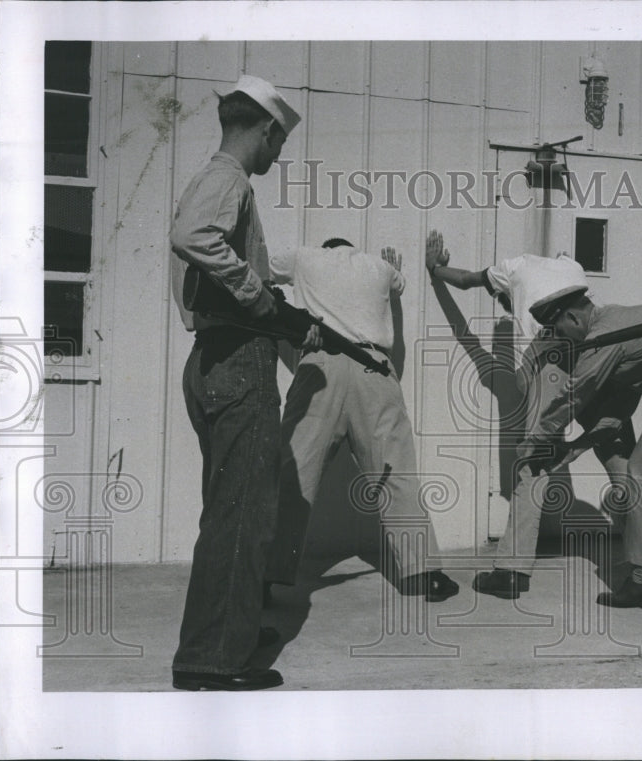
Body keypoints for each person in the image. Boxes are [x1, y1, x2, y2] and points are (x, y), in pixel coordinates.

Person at [169, 75, 304, 690]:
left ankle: (234, 627)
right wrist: (257, 295)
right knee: (242, 513)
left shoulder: (209, 178)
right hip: (238, 360)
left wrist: (274, 306)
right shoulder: (230, 179)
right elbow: (192, 237)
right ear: (267, 130)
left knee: (229, 508)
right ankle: (213, 659)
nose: (278, 153)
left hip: (212, 360)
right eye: (280, 142)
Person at [426, 232, 640, 599]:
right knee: (620, 456)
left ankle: (511, 571)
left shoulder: (513, 267)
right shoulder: (571, 266)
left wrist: (435, 269)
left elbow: (466, 280)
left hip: (549, 358)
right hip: (597, 350)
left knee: (534, 463)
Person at [264, 240, 459, 603]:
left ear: (327, 249)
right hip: (373, 367)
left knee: (295, 473)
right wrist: (392, 270)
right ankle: (425, 574)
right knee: (395, 471)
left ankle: (263, 579)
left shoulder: (303, 257)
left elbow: (261, 268)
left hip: (320, 365)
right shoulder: (379, 268)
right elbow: (398, 285)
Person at [522, 286, 642, 606]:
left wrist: (534, 440)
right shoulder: (621, 322)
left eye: (559, 332)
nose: (564, 341)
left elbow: (573, 394)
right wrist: (575, 448)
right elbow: (616, 415)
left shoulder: (603, 338)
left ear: (573, 318)